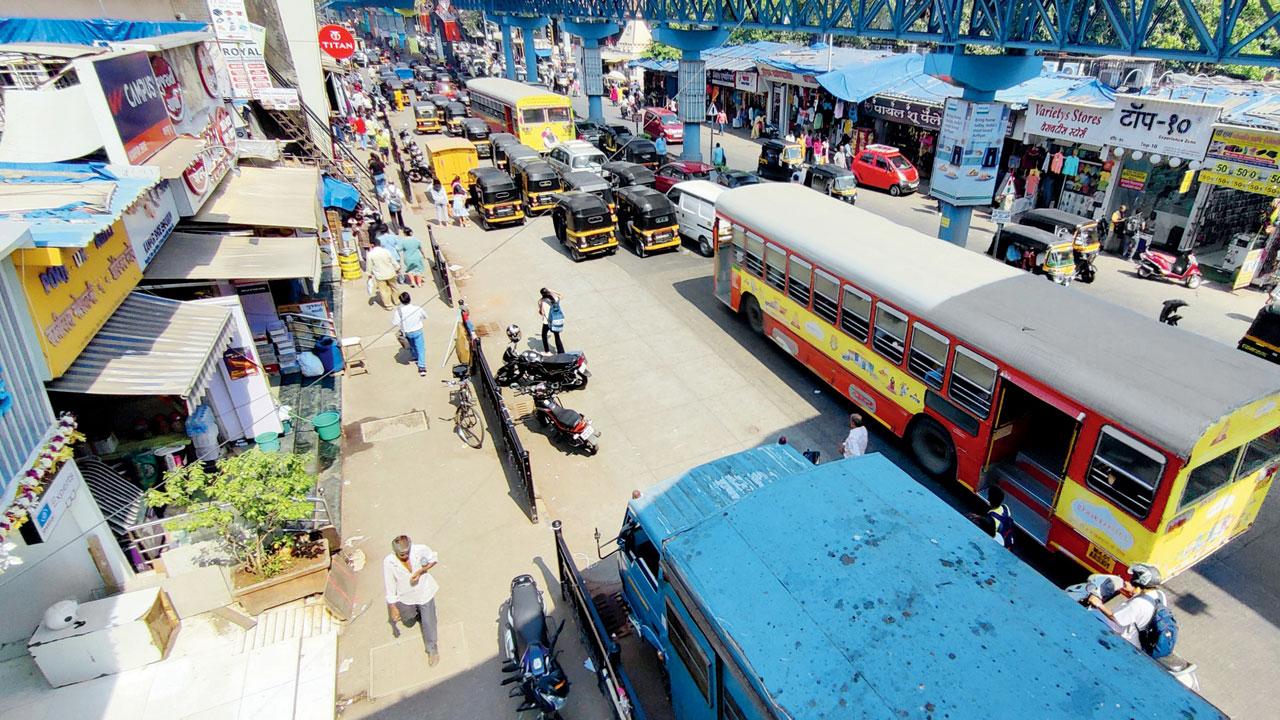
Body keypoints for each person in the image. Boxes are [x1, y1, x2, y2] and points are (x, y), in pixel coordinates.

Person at [1083, 564, 1168, 652]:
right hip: (1143, 632)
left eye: (1134, 576)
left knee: (1091, 612)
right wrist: (1132, 591)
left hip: (1129, 640)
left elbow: (1115, 618)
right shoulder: (1160, 595)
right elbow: (1145, 603)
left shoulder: (1138, 603)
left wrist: (1098, 604)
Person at [383, 535, 441, 665]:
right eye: (401, 554)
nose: (405, 556)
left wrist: (421, 571)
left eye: (407, 553)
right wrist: (392, 607)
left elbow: (434, 559)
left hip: (424, 591)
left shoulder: (420, 550)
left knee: (428, 621)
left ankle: (432, 649)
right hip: (406, 596)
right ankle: (417, 614)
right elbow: (390, 584)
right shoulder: (389, 562)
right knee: (408, 621)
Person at [391, 292, 429, 375]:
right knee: (421, 348)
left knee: (412, 345)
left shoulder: (398, 311)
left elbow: (395, 322)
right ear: (410, 299)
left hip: (407, 332)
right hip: (417, 331)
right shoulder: (417, 308)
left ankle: (415, 356)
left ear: (401, 301)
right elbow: (425, 316)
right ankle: (421, 367)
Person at [366, 236, 401, 309]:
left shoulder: (370, 254)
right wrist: (397, 268)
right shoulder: (386, 251)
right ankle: (397, 301)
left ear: (372, 245)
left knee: (383, 290)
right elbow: (392, 261)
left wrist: (369, 274)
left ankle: (388, 305)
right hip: (390, 273)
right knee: (394, 287)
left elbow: (369, 266)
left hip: (380, 276)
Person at [537, 287, 565, 353]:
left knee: (544, 335)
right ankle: (561, 352)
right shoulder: (555, 299)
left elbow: (542, 313)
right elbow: (561, 295)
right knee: (557, 337)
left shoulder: (541, 301)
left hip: (547, 322)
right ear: (548, 292)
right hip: (555, 321)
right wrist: (551, 290)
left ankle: (547, 351)